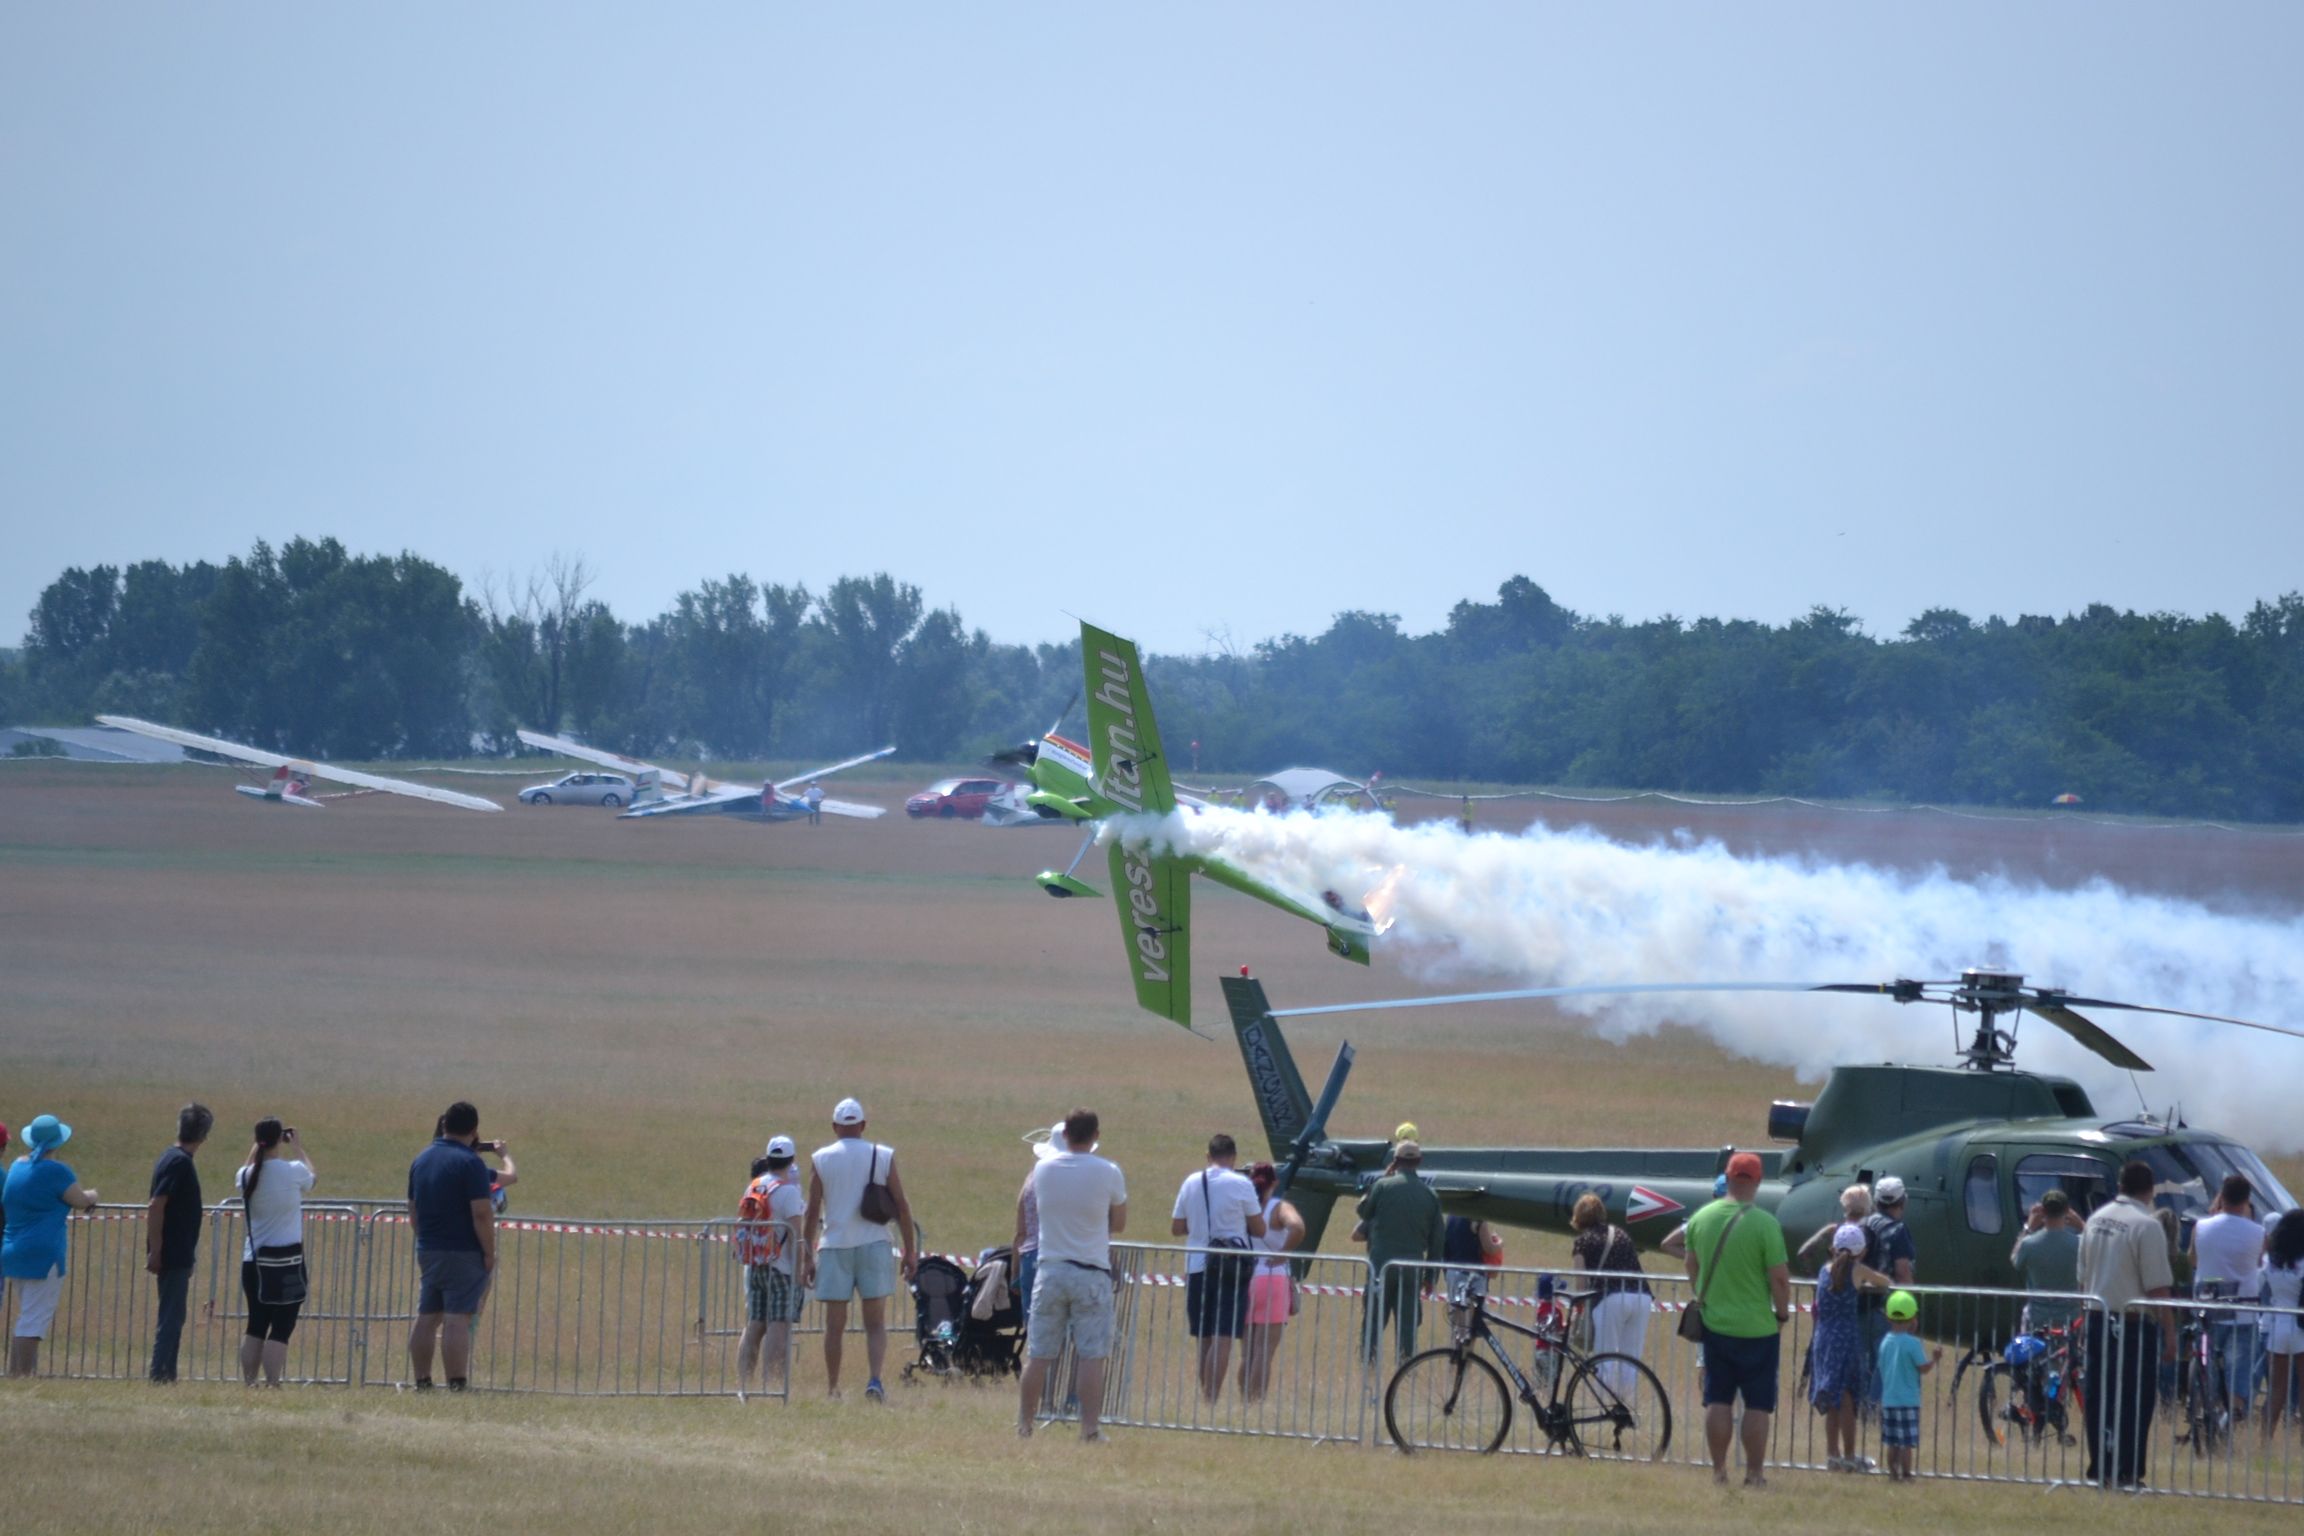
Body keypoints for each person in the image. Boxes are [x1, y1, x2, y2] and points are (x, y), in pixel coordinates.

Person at [1682, 1150, 1792, 1487]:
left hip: (1715, 1325)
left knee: (1717, 1400)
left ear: (1727, 1178)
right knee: (1758, 1404)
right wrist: (1782, 1313)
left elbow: (1691, 1263)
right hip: (1758, 1328)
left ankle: (1719, 1471)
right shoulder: (1766, 1224)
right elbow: (1779, 1279)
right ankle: (1755, 1473)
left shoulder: (1702, 1218)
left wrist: (1704, 1295)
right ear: (1758, 1182)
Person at [1016, 1108, 1126, 1442]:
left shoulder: (1043, 1169)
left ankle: (1024, 1425)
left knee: (1039, 1355)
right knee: (1091, 1354)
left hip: (1050, 1269)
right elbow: (1118, 1223)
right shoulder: (1109, 1171)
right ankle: (1089, 1429)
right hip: (1090, 1270)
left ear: (1065, 1136)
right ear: (1095, 1136)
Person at [803, 1096, 918, 1402]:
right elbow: (902, 1206)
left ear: (835, 1127)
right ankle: (875, 1380)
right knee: (876, 1323)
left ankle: (833, 1387)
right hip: (874, 1243)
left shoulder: (821, 1158)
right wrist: (910, 1250)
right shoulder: (882, 1155)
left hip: (835, 1245)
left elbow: (812, 1210)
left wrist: (806, 1256)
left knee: (834, 1326)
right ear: (863, 1126)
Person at [2076, 1158, 2179, 1488]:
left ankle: (2101, 1468)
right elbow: (2158, 1286)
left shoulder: (2094, 1219)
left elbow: (2082, 1278)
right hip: (2134, 1324)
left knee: (2098, 1396)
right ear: (2150, 1191)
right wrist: (2170, 1332)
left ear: (2119, 1185)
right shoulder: (2146, 1225)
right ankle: (2129, 1471)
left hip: (2096, 1318)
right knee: (2136, 1398)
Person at [406, 1101, 498, 1391]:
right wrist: (489, 1252)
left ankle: (422, 1381)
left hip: (429, 1248)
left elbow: (413, 1210)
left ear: (444, 1125)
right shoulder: (471, 1163)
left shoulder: (421, 1159)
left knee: (427, 1316)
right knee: (457, 1318)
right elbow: (481, 1213)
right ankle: (457, 1384)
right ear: (474, 1131)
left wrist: (425, 1239)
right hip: (463, 1250)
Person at [1169, 1132, 1266, 1402]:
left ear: (1207, 1156)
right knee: (1224, 1334)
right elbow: (1259, 1228)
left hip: (1198, 1266)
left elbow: (1177, 1227)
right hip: (1232, 1266)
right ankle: (1212, 1396)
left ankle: (1206, 1397)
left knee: (1204, 1335)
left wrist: (1200, 1225)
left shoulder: (1191, 1181)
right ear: (1233, 1157)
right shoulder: (1241, 1184)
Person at [3, 1115, 99, 1378]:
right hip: (43, 1255)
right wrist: (93, 1195)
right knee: (32, 1320)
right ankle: (20, 1376)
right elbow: (79, 1199)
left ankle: (19, 1373)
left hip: (13, 1250)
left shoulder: (16, 1166)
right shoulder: (57, 1172)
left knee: (28, 1314)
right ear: (57, 1142)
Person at [236, 1118, 316, 1386]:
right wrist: (297, 1147)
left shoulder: (246, 1175)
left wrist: (256, 1146)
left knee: (256, 1324)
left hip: (254, 1261)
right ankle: (273, 1382)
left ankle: (249, 1382)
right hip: (286, 1262)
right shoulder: (292, 1171)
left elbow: (246, 1170)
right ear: (277, 1140)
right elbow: (311, 1177)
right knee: (281, 1327)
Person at [1354, 1140, 1444, 1366]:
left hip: (1381, 1265)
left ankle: (1368, 1368)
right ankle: (1406, 1371)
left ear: (1396, 1161)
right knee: (1408, 1325)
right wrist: (1431, 1277)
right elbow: (1437, 1242)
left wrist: (1378, 1181)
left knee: (1373, 1321)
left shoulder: (1383, 1186)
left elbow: (1364, 1211)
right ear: (1419, 1162)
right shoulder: (1430, 1195)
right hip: (1412, 1268)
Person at [1812, 1223, 1892, 1471]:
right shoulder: (1857, 1270)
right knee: (1847, 1398)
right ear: (1862, 1251)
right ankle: (1848, 1455)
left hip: (1824, 1337)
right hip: (1845, 1337)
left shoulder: (1824, 1271)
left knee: (1831, 1395)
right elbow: (1884, 1281)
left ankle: (1832, 1454)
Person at [146, 1102, 213, 1384]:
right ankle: (160, 1375)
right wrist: (157, 1250)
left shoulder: (173, 1158)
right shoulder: (178, 1162)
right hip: (172, 1252)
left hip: (178, 1250)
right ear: (203, 1135)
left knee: (175, 1316)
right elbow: (156, 1205)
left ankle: (167, 1374)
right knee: (171, 1318)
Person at [2194, 1174, 2268, 1429]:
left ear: (2221, 1196)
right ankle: (2233, 1412)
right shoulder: (2258, 1232)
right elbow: (2260, 1263)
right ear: (2247, 1200)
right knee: (2239, 1366)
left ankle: (2208, 1408)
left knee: (2207, 1362)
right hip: (2242, 1308)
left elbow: (2193, 1259)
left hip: (2208, 1304)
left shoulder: (2201, 1227)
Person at [735, 1135, 805, 1400]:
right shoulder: (788, 1191)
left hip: (755, 1264)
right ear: (791, 1160)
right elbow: (797, 1236)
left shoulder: (754, 1185)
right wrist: (800, 1270)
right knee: (779, 1324)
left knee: (754, 1324)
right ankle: (772, 1386)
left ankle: (743, 1385)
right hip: (782, 1268)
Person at [1569, 1191, 1652, 1393]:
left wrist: (1577, 1309)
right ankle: (1625, 1406)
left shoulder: (1583, 1241)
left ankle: (1603, 1406)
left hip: (1610, 1298)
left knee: (1604, 1356)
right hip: (1642, 1296)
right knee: (1630, 1358)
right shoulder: (1621, 1234)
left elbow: (1580, 1284)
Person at [1240, 1161, 1305, 1404]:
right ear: (1274, 1183)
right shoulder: (1279, 1207)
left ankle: (1244, 1400)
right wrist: (1284, 1253)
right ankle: (1255, 1403)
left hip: (1246, 1278)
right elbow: (1297, 1227)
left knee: (1247, 1353)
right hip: (1272, 1277)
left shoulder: (1245, 1208)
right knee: (1264, 1351)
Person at [1858, 1175, 1918, 1407]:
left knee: (1864, 1363)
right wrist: (1910, 1311)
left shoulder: (1863, 1225)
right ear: (1903, 1200)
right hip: (1887, 1309)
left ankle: (1862, 1412)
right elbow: (1903, 1271)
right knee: (1886, 1364)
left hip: (1860, 1305)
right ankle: (1875, 1412)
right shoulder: (1898, 1230)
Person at [1877, 1290, 1944, 1480]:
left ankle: (1892, 1473)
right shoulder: (1913, 1343)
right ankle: (1906, 1473)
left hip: (1889, 1400)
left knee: (1892, 1442)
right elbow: (1922, 1368)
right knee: (1907, 1442)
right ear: (1913, 1317)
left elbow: (1881, 1366)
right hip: (1908, 1401)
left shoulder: (1885, 1343)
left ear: (1889, 1315)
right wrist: (1934, 1359)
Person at [2011, 1188, 2086, 1332]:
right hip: (2070, 1318)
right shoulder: (2079, 1243)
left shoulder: (2029, 1244)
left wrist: (2028, 1228)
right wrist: (2082, 1225)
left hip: (2037, 1317)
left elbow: (2015, 1260)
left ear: (2042, 1211)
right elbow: (2094, 1244)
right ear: (2067, 1211)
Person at [2260, 1209, 2304, 1438]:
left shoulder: (2270, 1262)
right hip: (2301, 1325)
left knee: (2276, 1390)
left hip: (2278, 1324)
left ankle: (2264, 1442)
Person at [1796, 1184, 1873, 1273]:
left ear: (1845, 1206)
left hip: (1833, 1282)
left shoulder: (1832, 1229)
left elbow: (1803, 1253)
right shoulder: (1870, 1232)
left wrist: (1813, 1279)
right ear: (1867, 1207)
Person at [1659, 1174, 1729, 1263]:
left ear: (1713, 1196)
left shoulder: (1700, 1220)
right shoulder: (1749, 1219)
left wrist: (1700, 1260)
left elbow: (1667, 1244)